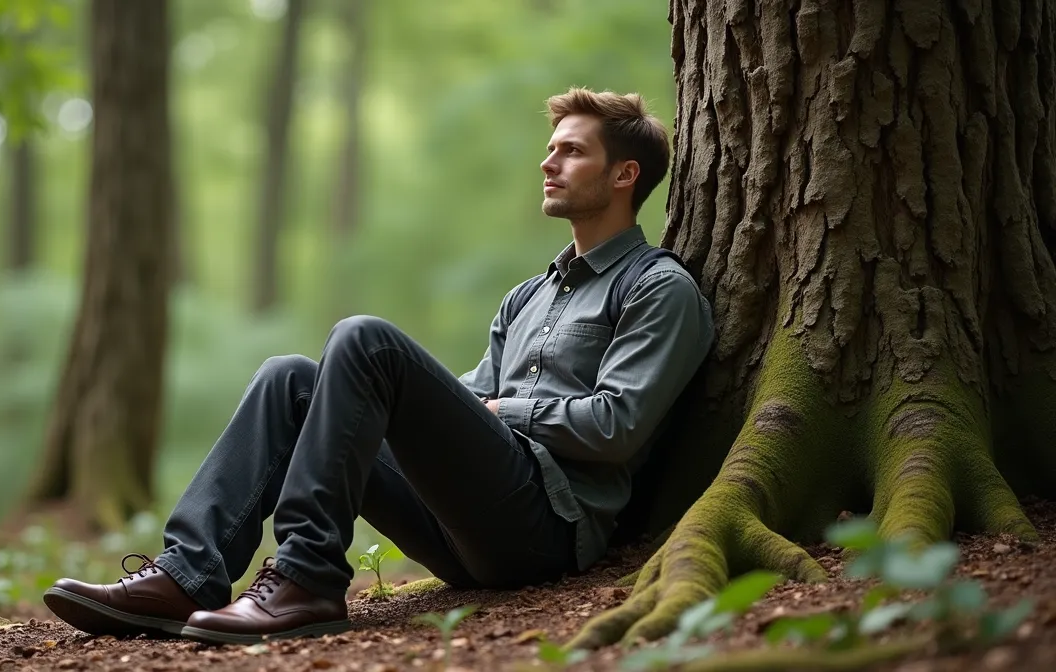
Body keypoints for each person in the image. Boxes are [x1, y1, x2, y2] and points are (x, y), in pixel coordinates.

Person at [43, 86, 715, 646]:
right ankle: (187, 577)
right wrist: (449, 409)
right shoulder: (528, 296)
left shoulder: (657, 288)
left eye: (572, 151)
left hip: (548, 527)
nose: (548, 162)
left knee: (365, 338)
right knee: (289, 378)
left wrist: (498, 412)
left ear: (624, 175)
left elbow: (617, 426)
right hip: (460, 527)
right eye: (551, 148)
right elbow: (470, 403)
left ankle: (306, 578)